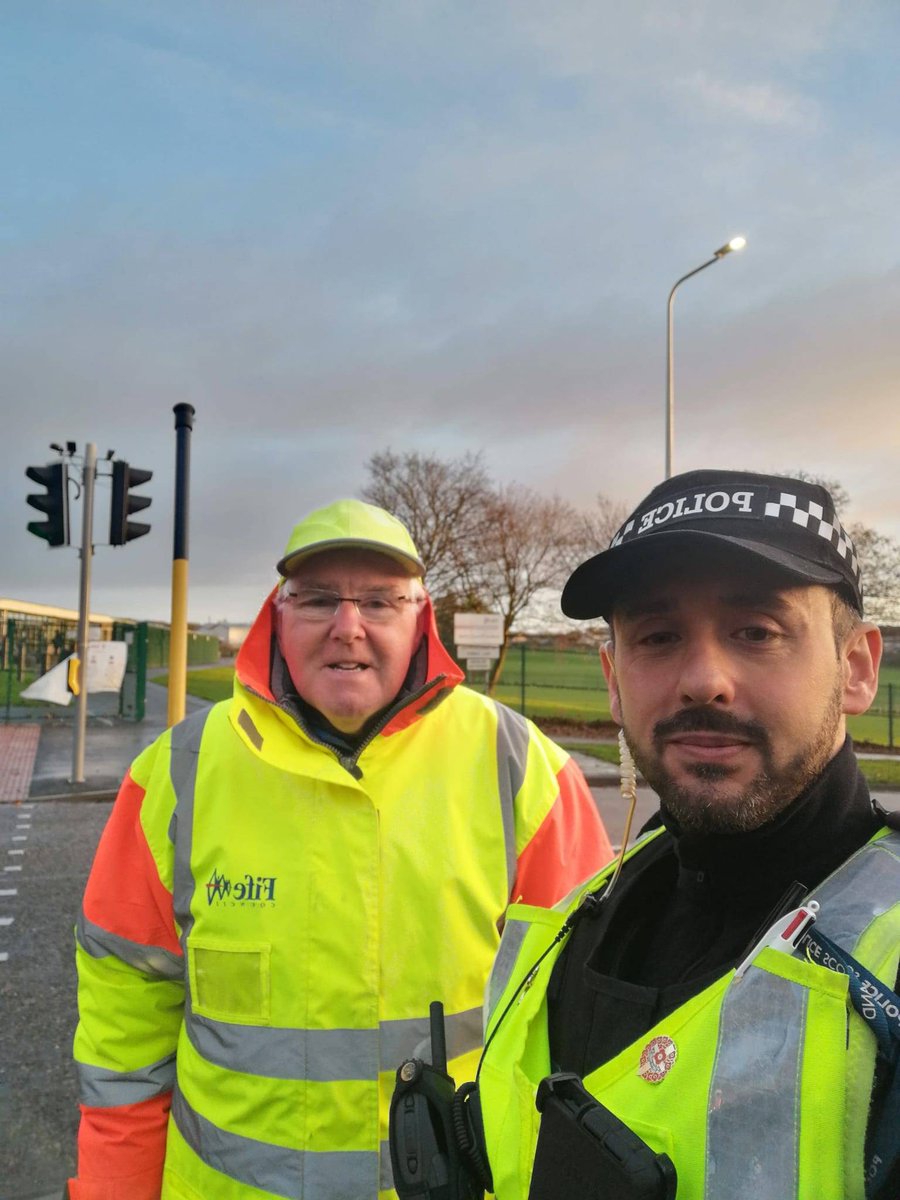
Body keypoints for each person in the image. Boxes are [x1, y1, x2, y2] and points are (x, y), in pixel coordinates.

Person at [68, 498, 612, 1200]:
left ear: (422, 619)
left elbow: (591, 1025)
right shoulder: (177, 773)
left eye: (380, 602)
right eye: (319, 599)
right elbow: (122, 1038)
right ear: (278, 614)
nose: (347, 626)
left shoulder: (523, 770)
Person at [471, 470, 900, 1200]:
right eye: (659, 637)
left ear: (856, 668)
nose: (704, 679)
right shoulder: (583, 917)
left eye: (757, 631)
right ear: (613, 679)